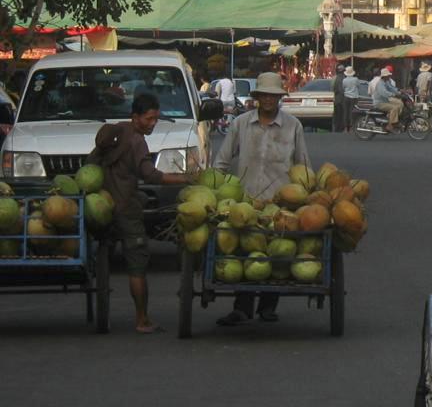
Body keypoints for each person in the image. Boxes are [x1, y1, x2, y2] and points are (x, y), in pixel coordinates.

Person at [88, 92, 191, 333]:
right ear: (135, 117)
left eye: (156, 118)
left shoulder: (116, 132)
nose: (152, 123)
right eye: (148, 118)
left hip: (103, 204)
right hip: (125, 208)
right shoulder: (136, 141)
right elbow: (150, 175)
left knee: (105, 249)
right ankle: (142, 319)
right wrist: (185, 179)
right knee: (137, 264)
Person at [213, 72, 311, 325]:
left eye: (273, 95)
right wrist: (214, 187)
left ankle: (268, 306)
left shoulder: (292, 126)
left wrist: (307, 198)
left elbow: (302, 166)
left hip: (280, 205)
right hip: (245, 203)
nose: (268, 99)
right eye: (264, 95)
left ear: (279, 98)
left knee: (276, 255)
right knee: (245, 253)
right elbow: (223, 161)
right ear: (257, 97)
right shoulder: (241, 124)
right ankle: (242, 307)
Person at [370, 65, 403, 131]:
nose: (389, 76)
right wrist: (394, 95)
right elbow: (384, 93)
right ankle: (390, 125)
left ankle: (392, 118)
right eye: (388, 75)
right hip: (380, 103)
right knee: (394, 108)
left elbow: (391, 88)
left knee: (399, 104)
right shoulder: (380, 84)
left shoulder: (386, 82)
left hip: (385, 100)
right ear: (385, 76)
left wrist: (400, 92)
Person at [341, 65, 361, 131]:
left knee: (346, 112)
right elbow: (358, 86)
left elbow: (343, 88)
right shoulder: (356, 79)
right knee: (353, 112)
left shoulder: (344, 80)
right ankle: (352, 126)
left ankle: (346, 127)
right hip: (354, 97)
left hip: (346, 97)